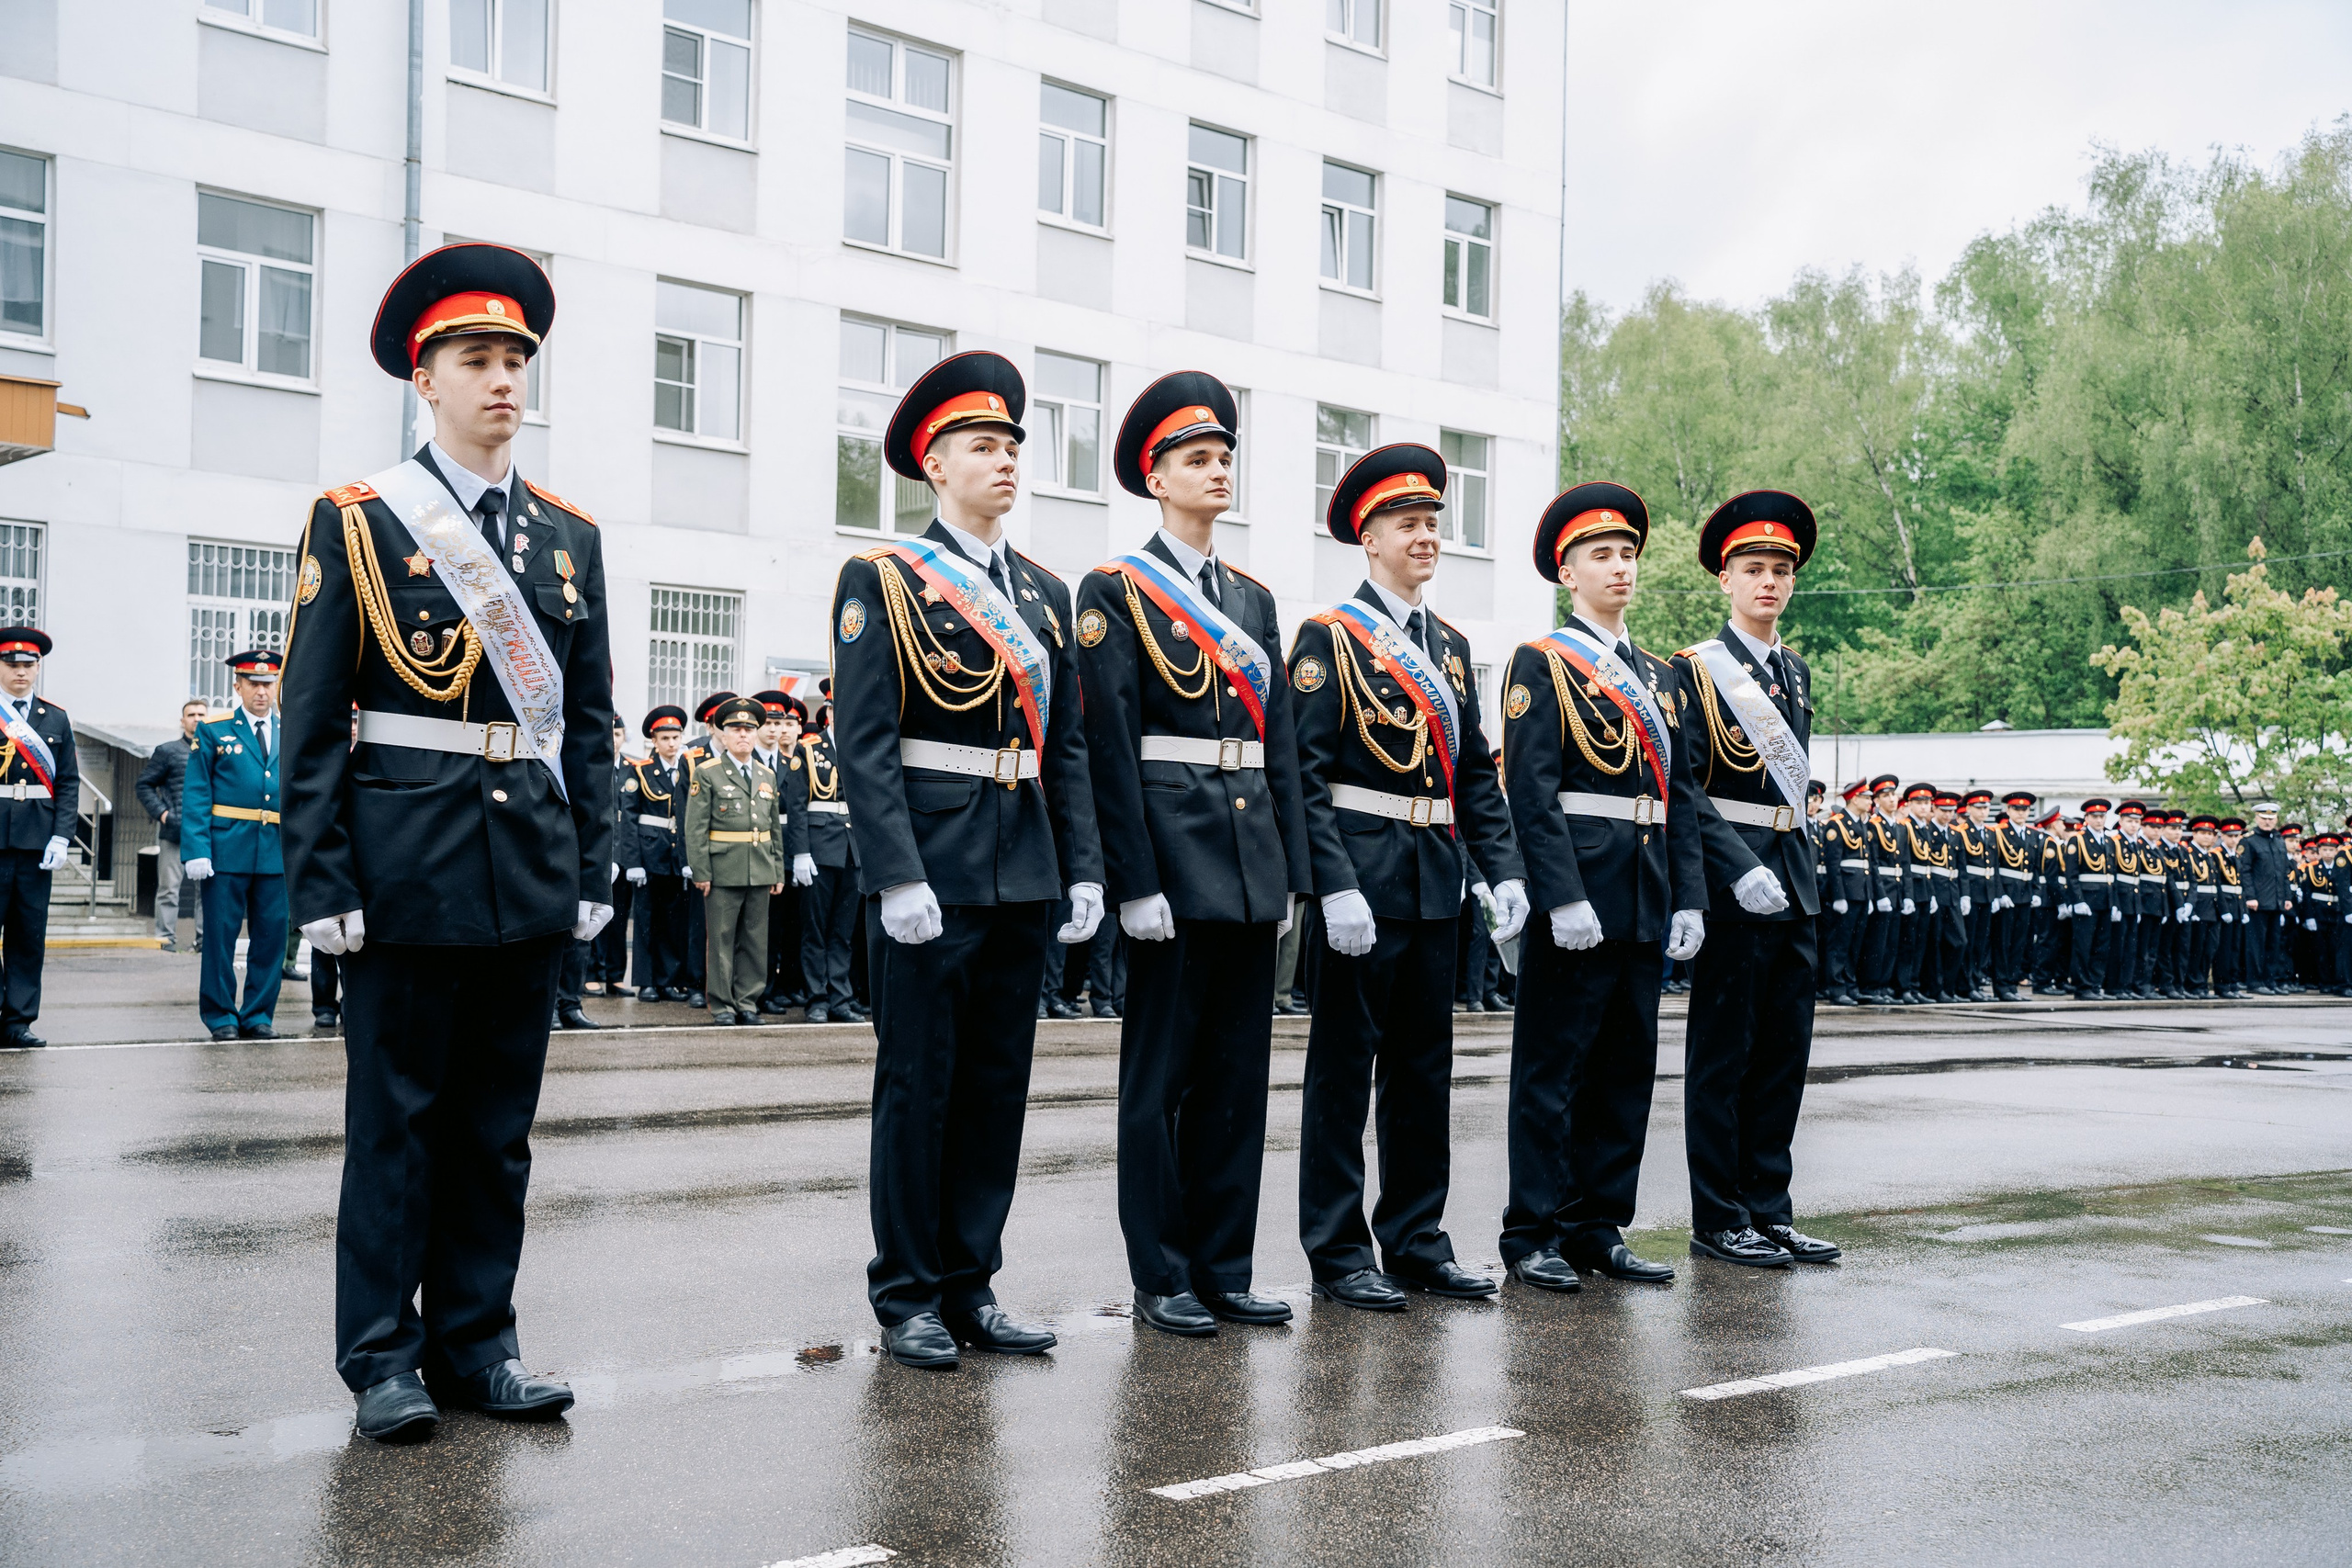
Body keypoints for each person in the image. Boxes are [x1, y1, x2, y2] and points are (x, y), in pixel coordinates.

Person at [280, 243, 611, 1443]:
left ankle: (480, 1340)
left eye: (517, 357)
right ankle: (382, 1354)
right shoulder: (361, 522)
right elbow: (312, 717)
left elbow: (589, 719)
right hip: (404, 862)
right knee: (396, 1124)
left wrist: (591, 863)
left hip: (524, 866)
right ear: (426, 376)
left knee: (493, 1130)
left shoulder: (570, 538)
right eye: (477, 357)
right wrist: (318, 873)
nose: (503, 379)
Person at [830, 350, 1104, 1369]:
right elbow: (863, 741)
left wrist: (1083, 867)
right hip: (932, 869)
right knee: (918, 1087)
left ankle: (970, 1283)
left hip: (1021, 863)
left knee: (995, 1086)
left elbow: (1064, 746)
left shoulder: (1041, 593)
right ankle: (906, 1293)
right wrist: (894, 872)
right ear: (934, 465)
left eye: (1011, 447)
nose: (1005, 462)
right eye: (983, 447)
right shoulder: (884, 578)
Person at [1065, 374, 1317, 1333]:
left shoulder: (1250, 600)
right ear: (1154, 478)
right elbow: (1108, 745)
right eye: (1196, 460)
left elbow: (1282, 746)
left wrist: (1293, 870)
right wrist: (1134, 881)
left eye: (1223, 459)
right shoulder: (1116, 591)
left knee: (1235, 1082)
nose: (1216, 472)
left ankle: (1225, 1265)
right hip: (1171, 859)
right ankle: (1160, 1272)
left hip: (1248, 858)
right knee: (1161, 1081)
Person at [1278, 443, 1529, 1310]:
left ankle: (1418, 1237)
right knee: (1344, 1075)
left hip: (1434, 881)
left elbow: (1475, 774)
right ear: (1368, 537)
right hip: (1364, 883)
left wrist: (1503, 873)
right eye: (1406, 523)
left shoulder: (1452, 650)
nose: (1425, 536)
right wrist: (1331, 884)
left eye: (1432, 522)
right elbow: (1304, 773)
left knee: (1424, 1074)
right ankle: (1339, 1250)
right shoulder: (1330, 639)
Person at [1498, 483, 1705, 1292]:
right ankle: (1534, 1229)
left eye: (1627, 555)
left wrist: (1690, 895)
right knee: (1553, 1070)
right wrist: (1561, 893)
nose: (1619, 568)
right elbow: (1532, 789)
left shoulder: (1661, 677)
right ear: (1567, 573)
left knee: (1625, 1067)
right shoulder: (1541, 662)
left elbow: (1680, 796)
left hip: (1648, 893)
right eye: (1601, 556)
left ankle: (1597, 1223)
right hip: (1579, 894)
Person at [1671, 491, 1842, 1269]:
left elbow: (1793, 790)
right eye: (1754, 569)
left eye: (1780, 570)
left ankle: (1769, 1208)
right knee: (1724, 1055)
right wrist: (1733, 872)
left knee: (1783, 1054)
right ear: (1725, 580)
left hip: (1794, 880)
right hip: (1737, 882)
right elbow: (1687, 786)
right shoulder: (1694, 672)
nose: (1768, 582)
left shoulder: (1796, 672)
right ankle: (1720, 1214)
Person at [180, 650, 288, 1043]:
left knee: (271, 938)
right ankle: (221, 1014)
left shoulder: (291, 728)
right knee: (221, 938)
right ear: (237, 686)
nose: (262, 691)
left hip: (277, 850)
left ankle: (259, 1013)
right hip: (226, 848)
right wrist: (196, 847)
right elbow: (196, 791)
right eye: (254, 684)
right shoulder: (214, 728)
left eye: (268, 684)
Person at [685, 695, 798, 1024]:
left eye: (749, 729)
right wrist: (701, 871)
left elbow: (773, 827)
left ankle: (748, 1001)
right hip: (722, 869)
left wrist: (778, 869)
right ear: (723, 734)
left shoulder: (766, 775)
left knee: (754, 940)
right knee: (721, 940)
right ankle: (722, 1005)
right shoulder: (708, 773)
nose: (744, 735)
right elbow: (695, 828)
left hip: (760, 867)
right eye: (736, 729)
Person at [0, 627, 76, 1049]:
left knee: (28, 935)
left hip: (35, 841)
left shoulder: (56, 718)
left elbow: (67, 783)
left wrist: (62, 837)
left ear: (38, 668)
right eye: (12, 665)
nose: (20, 672)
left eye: (28, 666)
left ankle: (18, 1021)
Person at [748, 692, 819, 1014]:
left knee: (792, 923)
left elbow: (800, 809)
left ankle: (786, 986)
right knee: (766, 926)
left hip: (790, 848)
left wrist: (802, 852)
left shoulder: (795, 760)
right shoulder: (750, 759)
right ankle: (761, 990)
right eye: (770, 723)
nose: (775, 729)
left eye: (780, 723)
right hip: (760, 846)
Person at [797, 701, 863, 1022]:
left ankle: (840, 998)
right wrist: (800, 853)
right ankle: (817, 999)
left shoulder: (860, 746)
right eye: (837, 709)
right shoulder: (808, 749)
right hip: (820, 849)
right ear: (829, 713)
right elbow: (797, 806)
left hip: (854, 851)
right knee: (816, 930)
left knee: (842, 932)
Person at [625, 708, 693, 1001]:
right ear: (654, 741)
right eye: (665, 738)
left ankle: (668, 980)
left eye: (676, 737)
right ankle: (646, 981)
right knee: (646, 919)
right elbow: (628, 819)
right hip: (650, 852)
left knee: (674, 920)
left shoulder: (689, 769)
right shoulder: (640, 770)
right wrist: (633, 862)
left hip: (677, 855)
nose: (671, 744)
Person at [138, 698, 210, 953]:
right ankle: (165, 939)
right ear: (183, 720)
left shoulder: (214, 749)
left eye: (202, 714)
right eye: (191, 714)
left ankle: (203, 941)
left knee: (207, 892)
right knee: (169, 889)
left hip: (206, 833)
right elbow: (144, 784)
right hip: (174, 832)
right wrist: (163, 814)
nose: (197, 718)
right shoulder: (167, 751)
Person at [589, 715, 635, 993]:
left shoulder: (633, 769)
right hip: (600, 856)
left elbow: (629, 819)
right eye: (610, 734)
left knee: (619, 920)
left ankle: (616, 977)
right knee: (593, 917)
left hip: (624, 857)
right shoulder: (593, 765)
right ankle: (592, 972)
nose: (614, 740)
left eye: (618, 735)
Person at [2062, 798, 2122, 999]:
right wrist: (2077, 900)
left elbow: (2111, 877)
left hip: (2105, 901)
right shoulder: (2077, 840)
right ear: (2086, 818)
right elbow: (2071, 875)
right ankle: (2082, 986)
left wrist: (2114, 904)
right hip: (2086, 902)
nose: (2099, 820)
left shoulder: (2108, 842)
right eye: (2094, 816)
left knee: (2101, 946)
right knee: (2083, 946)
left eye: (2102, 816)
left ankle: (2095, 985)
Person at [2238, 804, 2290, 995]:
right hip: (2258, 902)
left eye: (2271, 818)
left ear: (2276, 819)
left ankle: (2270, 980)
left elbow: (2283, 872)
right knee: (2256, 944)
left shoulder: (2278, 840)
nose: (2268, 822)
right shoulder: (2249, 841)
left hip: (2276, 901)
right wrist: (2250, 896)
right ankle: (2255, 981)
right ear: (2257, 819)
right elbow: (2245, 871)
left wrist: (2286, 897)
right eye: (2264, 818)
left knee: (2274, 944)